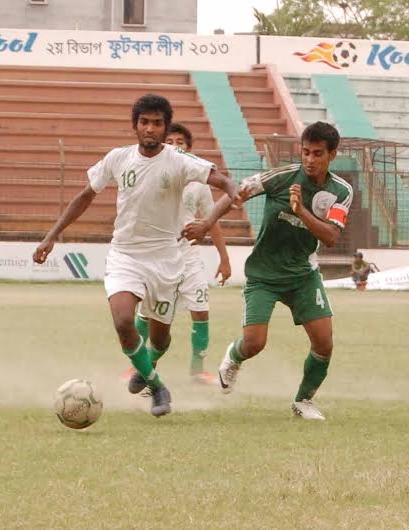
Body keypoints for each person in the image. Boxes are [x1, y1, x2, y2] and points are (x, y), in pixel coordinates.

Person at [33, 95, 239, 418]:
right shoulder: (118, 158)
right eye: (145, 122)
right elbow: (85, 196)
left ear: (165, 127)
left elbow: (217, 176)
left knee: (161, 338)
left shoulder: (179, 161)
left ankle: (148, 366)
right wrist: (51, 235)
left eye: (157, 123)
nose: (151, 128)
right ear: (135, 126)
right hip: (125, 255)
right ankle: (157, 386)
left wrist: (231, 188)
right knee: (124, 320)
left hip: (166, 260)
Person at [182, 121, 352, 421]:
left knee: (324, 343)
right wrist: (207, 223)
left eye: (318, 154)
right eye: (306, 152)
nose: (310, 160)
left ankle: (303, 401)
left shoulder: (341, 190)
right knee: (254, 343)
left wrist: (302, 212)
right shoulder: (283, 177)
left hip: (303, 274)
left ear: (332, 155)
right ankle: (233, 359)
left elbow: (332, 237)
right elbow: (236, 193)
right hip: (264, 274)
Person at [124, 122, 232, 387]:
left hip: (189, 257)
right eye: (169, 141)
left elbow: (211, 221)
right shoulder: (152, 175)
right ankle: (139, 368)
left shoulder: (198, 182)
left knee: (201, 311)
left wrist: (224, 258)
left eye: (180, 142)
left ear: (189, 148)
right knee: (149, 315)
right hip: (159, 256)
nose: (175, 146)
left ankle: (197, 371)